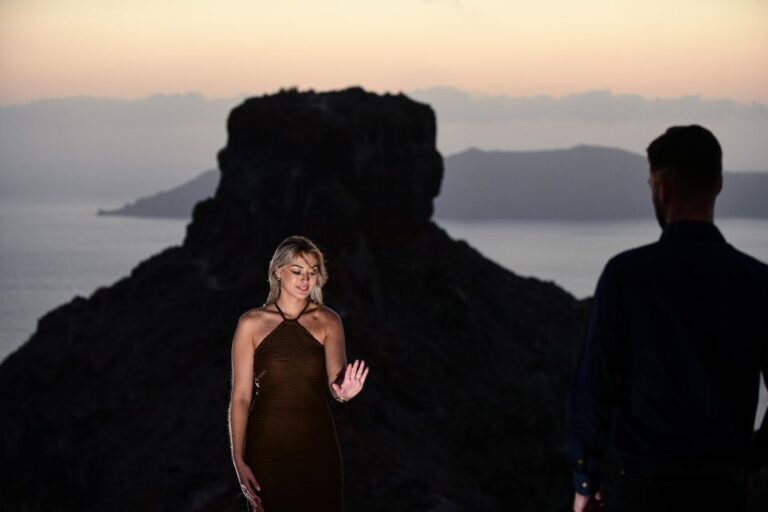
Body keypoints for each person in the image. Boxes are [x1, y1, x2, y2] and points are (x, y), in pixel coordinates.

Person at [565, 125, 768, 512]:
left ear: (662, 188)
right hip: (724, 494)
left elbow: (593, 390)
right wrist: (752, 457)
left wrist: (585, 481)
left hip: (642, 493)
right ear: (719, 185)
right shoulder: (758, 282)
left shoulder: (625, 276)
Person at [228, 235, 370, 511]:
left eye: (312, 272)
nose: (305, 279)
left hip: (317, 446)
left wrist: (343, 393)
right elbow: (241, 397)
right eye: (297, 271)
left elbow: (335, 382)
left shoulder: (329, 321)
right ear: (277, 272)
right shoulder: (251, 323)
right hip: (266, 447)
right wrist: (238, 460)